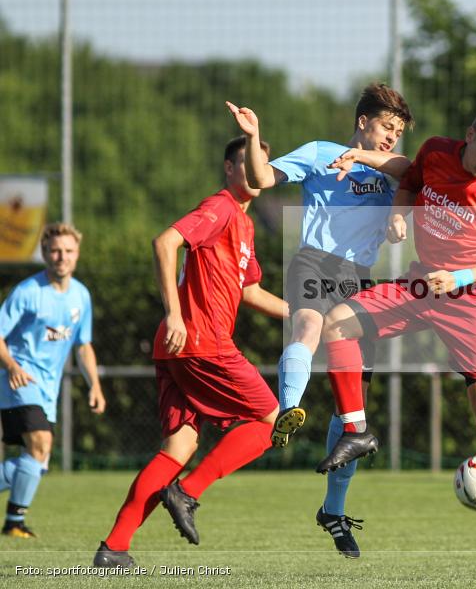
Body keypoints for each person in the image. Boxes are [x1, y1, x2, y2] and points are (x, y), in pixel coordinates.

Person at [316, 105, 476, 559]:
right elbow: (410, 181)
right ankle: (356, 429)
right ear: (469, 135)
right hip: (420, 281)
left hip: (471, 296)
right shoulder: (434, 152)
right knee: (337, 324)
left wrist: (462, 276)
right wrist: (398, 214)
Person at [227, 82, 413, 558]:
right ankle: (283, 411)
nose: (392, 137)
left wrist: (397, 215)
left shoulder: (391, 170)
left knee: (354, 419)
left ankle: (333, 510)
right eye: (386, 127)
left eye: (398, 131)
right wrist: (253, 136)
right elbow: (262, 178)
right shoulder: (320, 153)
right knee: (307, 327)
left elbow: (411, 177)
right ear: (362, 122)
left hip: (358, 280)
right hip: (314, 262)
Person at [94, 136, 288, 567]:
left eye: (263, 164)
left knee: (176, 450)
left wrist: (302, 314)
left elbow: (250, 291)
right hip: (201, 341)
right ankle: (188, 492)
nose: (257, 171)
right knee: (274, 419)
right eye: (247, 162)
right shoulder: (221, 208)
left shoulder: (245, 224)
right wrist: (176, 313)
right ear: (228, 169)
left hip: (180, 347)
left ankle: (115, 547)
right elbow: (165, 242)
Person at [0, 223, 106, 538]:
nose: (62, 257)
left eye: (68, 251)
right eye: (56, 251)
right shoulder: (28, 292)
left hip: (48, 389)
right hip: (18, 382)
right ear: (45, 253)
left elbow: (83, 345)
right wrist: (11, 365)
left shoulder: (81, 296)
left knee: (37, 463)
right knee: (40, 444)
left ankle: (13, 523)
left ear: (77, 255)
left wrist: (95, 385)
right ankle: (15, 523)